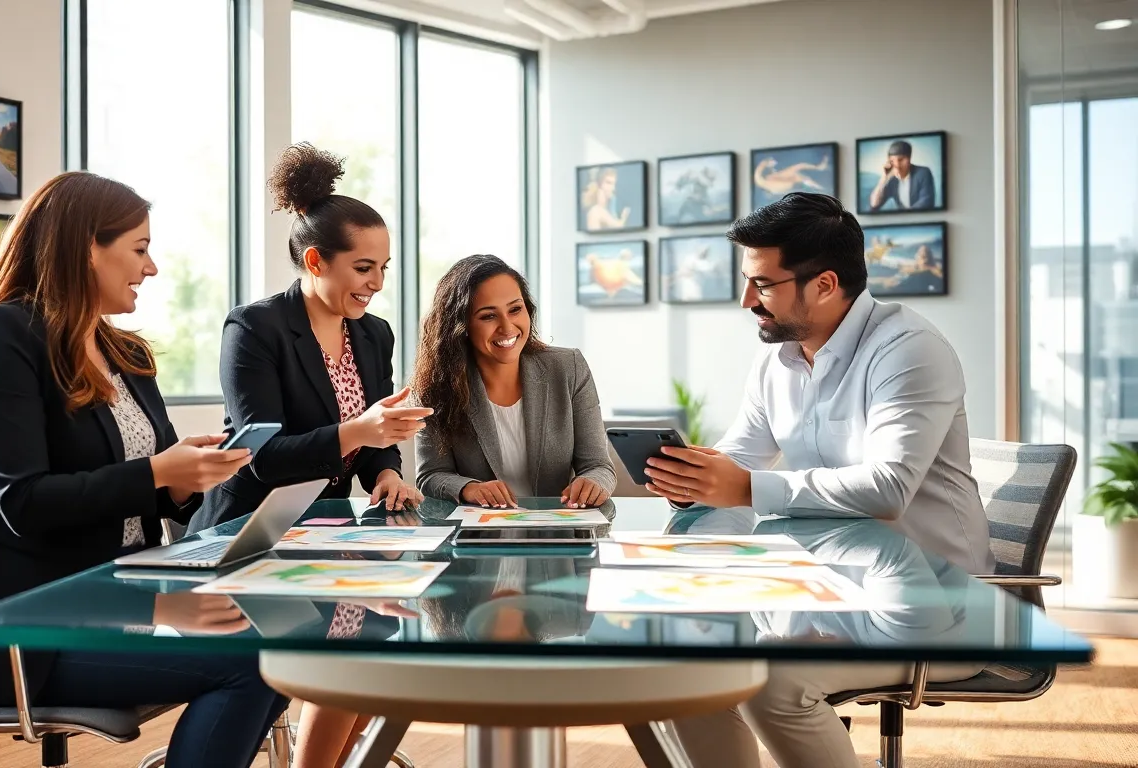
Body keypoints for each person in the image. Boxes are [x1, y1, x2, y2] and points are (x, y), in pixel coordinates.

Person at [0, 171, 287, 768]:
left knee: (281, 646)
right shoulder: (6, 335)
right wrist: (159, 473)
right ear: (88, 246)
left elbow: (158, 494)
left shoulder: (125, 354)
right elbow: (24, 503)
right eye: (139, 249)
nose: (152, 267)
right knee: (252, 665)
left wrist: (194, 476)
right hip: (25, 625)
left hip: (118, 598)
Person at [643, 192, 991, 768]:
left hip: (930, 604)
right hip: (820, 588)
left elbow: (887, 488)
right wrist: (692, 484)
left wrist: (744, 488)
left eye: (764, 285)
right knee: (684, 667)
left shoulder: (910, 351)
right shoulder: (777, 359)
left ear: (825, 284)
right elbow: (741, 455)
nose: (746, 300)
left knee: (769, 684)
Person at [193, 142, 427, 768]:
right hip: (249, 536)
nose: (377, 284)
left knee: (378, 638)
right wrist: (361, 433)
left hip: (324, 533)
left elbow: (376, 439)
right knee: (353, 648)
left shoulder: (373, 333)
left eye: (384, 268)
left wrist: (388, 474)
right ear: (317, 260)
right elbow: (262, 456)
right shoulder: (255, 329)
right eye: (363, 268)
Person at [412, 254, 617, 508]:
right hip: (477, 537)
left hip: (556, 531)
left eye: (515, 309)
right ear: (461, 325)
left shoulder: (568, 368)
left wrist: (592, 483)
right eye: (488, 316)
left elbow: (599, 466)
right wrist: (469, 488)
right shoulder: (435, 386)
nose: (507, 328)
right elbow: (431, 475)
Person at [867, 139, 936, 211]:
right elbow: (874, 204)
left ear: (909, 158)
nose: (897, 165)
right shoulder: (892, 179)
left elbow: (926, 202)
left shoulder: (923, 172)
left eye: (900, 160)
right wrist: (884, 178)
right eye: (892, 161)